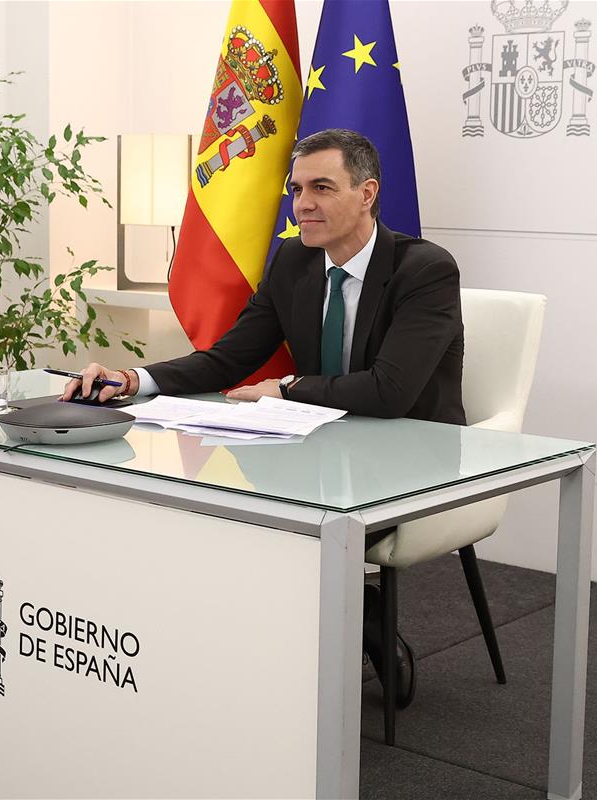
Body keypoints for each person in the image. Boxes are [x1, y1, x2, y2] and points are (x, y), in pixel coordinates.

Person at [61, 127, 465, 706]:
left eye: (322, 187)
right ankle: (273, 657)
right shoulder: (295, 262)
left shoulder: (424, 270)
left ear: (367, 193)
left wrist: (289, 388)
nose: (303, 204)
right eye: (296, 188)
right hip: (320, 444)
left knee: (273, 516)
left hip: (411, 455)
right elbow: (228, 358)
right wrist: (135, 380)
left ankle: (357, 619)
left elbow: (391, 392)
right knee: (214, 498)